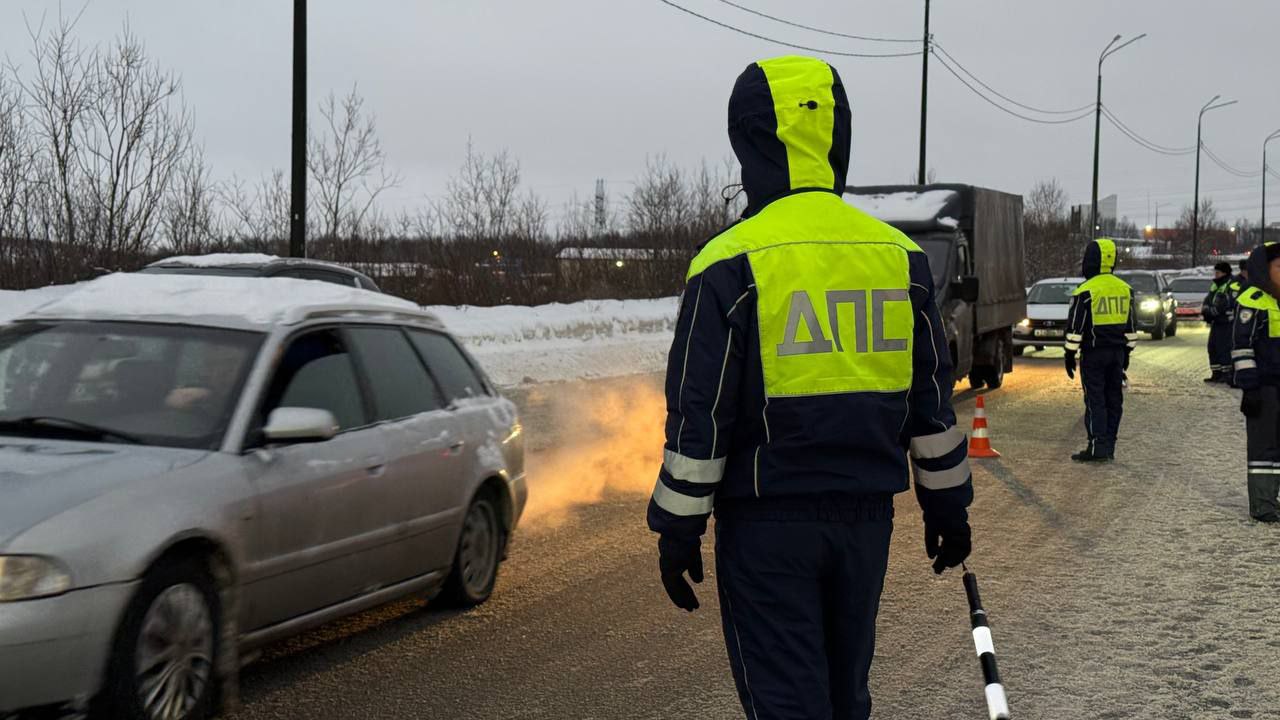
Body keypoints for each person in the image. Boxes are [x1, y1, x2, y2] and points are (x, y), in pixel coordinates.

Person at [646, 55, 973, 720]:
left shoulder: (727, 262)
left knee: (788, 703)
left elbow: (700, 415)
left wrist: (678, 529)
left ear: (750, 139)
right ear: (837, 138)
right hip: (864, 525)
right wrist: (947, 508)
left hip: (767, 527)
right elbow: (931, 403)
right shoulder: (896, 257)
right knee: (844, 696)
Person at [1064, 239, 1137, 462]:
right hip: (1117, 354)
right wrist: (1126, 355)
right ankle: (1109, 444)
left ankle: (1097, 446)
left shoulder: (1085, 291)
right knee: (1114, 399)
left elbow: (1076, 328)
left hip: (1094, 355)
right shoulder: (1126, 289)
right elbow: (1132, 329)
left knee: (1095, 399)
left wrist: (1068, 354)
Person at [1231, 243, 1280, 523]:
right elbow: (1241, 348)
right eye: (1279, 267)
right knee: (1264, 448)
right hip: (1264, 388)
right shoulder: (1253, 300)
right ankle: (1262, 504)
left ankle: (1272, 499)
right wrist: (1249, 388)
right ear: (1264, 270)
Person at [1201, 261, 1236, 383]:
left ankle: (1226, 374)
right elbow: (1208, 299)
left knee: (1224, 348)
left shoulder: (1231, 285)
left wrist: (1211, 311)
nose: (1215, 275)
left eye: (1218, 272)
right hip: (1216, 322)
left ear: (1224, 273)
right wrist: (1206, 310)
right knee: (1213, 347)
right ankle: (1216, 373)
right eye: (1215, 272)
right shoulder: (1216, 285)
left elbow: (1225, 305)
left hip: (1225, 323)